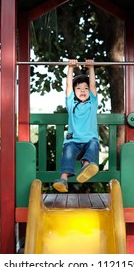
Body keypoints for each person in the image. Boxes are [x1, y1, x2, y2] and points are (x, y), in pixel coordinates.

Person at [53, 59, 99, 192]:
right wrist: (70, 68)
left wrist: (91, 68)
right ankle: (63, 179)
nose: (82, 90)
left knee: (94, 144)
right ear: (74, 92)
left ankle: (86, 167)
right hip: (73, 141)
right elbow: (68, 86)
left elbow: (93, 85)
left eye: (85, 88)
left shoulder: (92, 103)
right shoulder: (71, 104)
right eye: (78, 88)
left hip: (89, 140)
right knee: (67, 151)